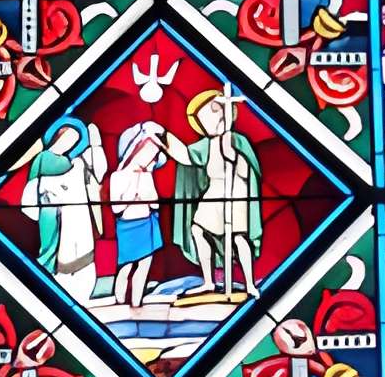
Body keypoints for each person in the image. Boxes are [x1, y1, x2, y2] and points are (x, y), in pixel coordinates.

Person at [167, 89, 263, 304]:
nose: (209, 123)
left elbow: (248, 172)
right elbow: (186, 156)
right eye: (203, 120)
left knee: (238, 237)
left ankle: (249, 284)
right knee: (197, 229)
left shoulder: (238, 141)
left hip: (236, 192)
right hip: (214, 193)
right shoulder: (206, 145)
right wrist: (164, 137)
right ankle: (209, 281)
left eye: (214, 115)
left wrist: (234, 158)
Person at [19, 117, 106, 290]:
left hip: (72, 212)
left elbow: (96, 175)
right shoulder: (42, 158)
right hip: (50, 212)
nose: (69, 143)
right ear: (58, 136)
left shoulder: (71, 162)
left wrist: (96, 145)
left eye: (73, 140)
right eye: (67, 137)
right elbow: (33, 187)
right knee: (51, 246)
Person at [106, 120, 169, 306]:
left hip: (147, 224)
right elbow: (116, 208)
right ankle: (119, 302)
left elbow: (155, 205)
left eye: (155, 154)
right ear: (135, 149)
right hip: (127, 227)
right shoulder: (118, 176)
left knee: (143, 268)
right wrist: (132, 191)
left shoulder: (148, 176)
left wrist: (146, 189)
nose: (151, 157)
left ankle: (136, 303)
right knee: (125, 268)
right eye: (149, 151)